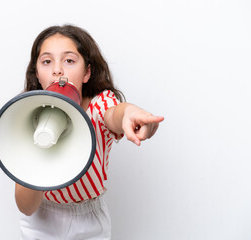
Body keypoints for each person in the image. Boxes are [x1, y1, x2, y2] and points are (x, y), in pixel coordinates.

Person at [15, 24, 164, 239]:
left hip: (89, 221)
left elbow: (115, 114)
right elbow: (26, 207)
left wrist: (129, 112)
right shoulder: (25, 116)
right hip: (42, 220)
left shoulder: (99, 106)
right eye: (47, 61)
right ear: (37, 74)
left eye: (69, 61)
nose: (58, 70)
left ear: (86, 72)